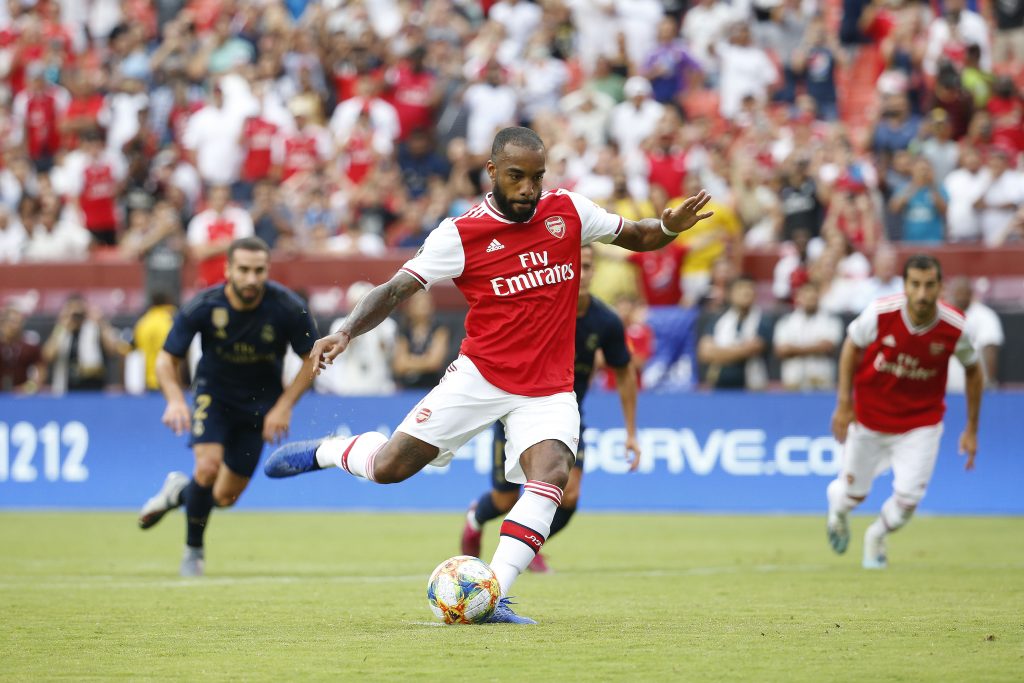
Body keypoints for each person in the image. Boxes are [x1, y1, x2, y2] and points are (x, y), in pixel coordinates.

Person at [261, 127, 714, 624]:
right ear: (492, 172)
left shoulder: (568, 211)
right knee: (389, 468)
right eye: (516, 177)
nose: (527, 189)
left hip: (548, 389)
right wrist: (345, 332)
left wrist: (669, 227)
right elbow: (393, 291)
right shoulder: (459, 235)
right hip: (479, 377)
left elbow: (639, 235)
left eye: (536, 177)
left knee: (552, 477)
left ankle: (493, 594)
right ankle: (327, 451)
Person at [136, 237, 319, 577]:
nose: (252, 279)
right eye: (244, 270)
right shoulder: (204, 305)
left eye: (259, 271)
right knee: (206, 468)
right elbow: (166, 360)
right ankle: (193, 552)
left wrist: (284, 406)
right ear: (228, 270)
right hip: (213, 397)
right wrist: (175, 400)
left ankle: (178, 492)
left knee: (222, 497)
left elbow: (312, 359)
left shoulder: (287, 307)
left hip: (260, 408)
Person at [460, 244, 640, 573]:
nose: (582, 274)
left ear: (594, 270)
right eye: (577, 266)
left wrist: (631, 433)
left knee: (568, 496)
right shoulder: (539, 309)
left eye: (588, 266)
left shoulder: (607, 322)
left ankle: (524, 548)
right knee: (505, 500)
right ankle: (475, 517)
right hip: (519, 410)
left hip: (567, 417)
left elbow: (625, 373)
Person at [826, 255, 982, 570]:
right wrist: (844, 404)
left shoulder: (955, 327)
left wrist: (971, 428)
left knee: (909, 500)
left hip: (921, 423)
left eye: (929, 285)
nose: (922, 294)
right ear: (905, 286)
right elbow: (850, 348)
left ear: (940, 287)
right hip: (870, 419)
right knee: (853, 496)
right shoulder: (880, 313)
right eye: (915, 285)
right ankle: (838, 512)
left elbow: (974, 371)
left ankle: (876, 536)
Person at [697, 275, 771, 390]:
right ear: (730, 294)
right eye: (740, 288)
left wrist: (718, 353)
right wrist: (740, 349)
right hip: (720, 388)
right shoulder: (718, 320)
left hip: (752, 389)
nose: (746, 292)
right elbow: (705, 353)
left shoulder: (763, 320)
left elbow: (753, 349)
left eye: (750, 288)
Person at [773, 281, 843, 391]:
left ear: (818, 297)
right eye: (805, 296)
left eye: (813, 296)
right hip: (793, 383)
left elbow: (828, 347)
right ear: (798, 298)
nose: (810, 300)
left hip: (821, 382)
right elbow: (782, 351)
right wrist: (815, 348)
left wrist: (794, 349)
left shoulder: (831, 321)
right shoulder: (786, 322)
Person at [945, 277, 1003, 392]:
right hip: (947, 388)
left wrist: (990, 382)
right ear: (951, 294)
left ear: (971, 293)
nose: (960, 297)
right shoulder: (944, 315)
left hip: (976, 385)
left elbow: (990, 349)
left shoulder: (985, 315)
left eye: (963, 292)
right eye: (957, 293)